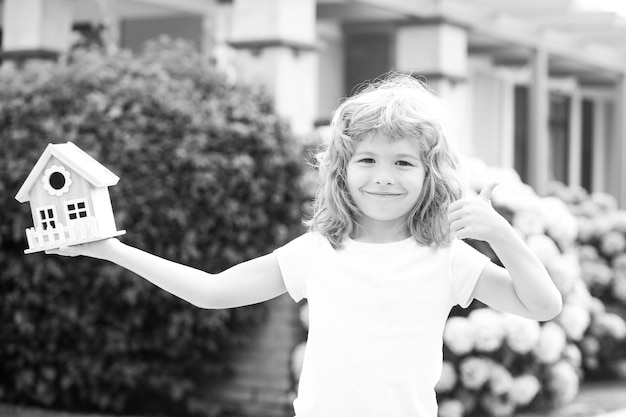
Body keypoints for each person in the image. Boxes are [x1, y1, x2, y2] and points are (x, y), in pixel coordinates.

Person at [48, 73, 563, 417]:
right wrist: (111, 250)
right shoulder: (316, 252)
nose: (384, 176)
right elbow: (212, 291)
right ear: (341, 172)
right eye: (368, 160)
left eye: (403, 162)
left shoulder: (447, 257)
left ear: (431, 176)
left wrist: (501, 234)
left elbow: (543, 306)